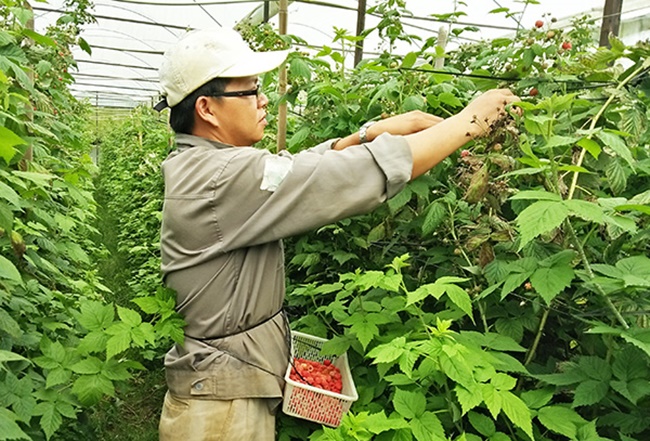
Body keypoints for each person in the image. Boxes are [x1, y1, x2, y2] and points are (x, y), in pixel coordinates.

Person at [155, 28, 519, 441]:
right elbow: (342, 178)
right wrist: (468, 122)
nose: (263, 100)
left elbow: (291, 170)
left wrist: (367, 133)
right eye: (250, 90)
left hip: (225, 387)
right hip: (221, 411)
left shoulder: (205, 166)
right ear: (207, 108)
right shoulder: (223, 176)